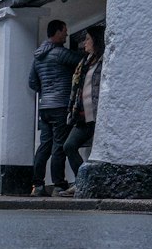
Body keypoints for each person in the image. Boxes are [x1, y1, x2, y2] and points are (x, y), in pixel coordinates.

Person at [28, 19, 81, 196]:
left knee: (44, 145)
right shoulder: (60, 53)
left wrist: (46, 91)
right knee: (59, 146)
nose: (67, 34)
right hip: (60, 105)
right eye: (65, 31)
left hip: (45, 107)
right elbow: (82, 61)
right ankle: (59, 184)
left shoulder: (37, 58)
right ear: (57, 32)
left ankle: (38, 185)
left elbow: (32, 83)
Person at [61, 25, 104, 191]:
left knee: (95, 151)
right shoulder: (84, 63)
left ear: (96, 40)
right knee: (69, 146)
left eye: (87, 39)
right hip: (82, 114)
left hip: (97, 113)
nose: (84, 43)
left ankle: (86, 184)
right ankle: (82, 181)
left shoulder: (103, 61)